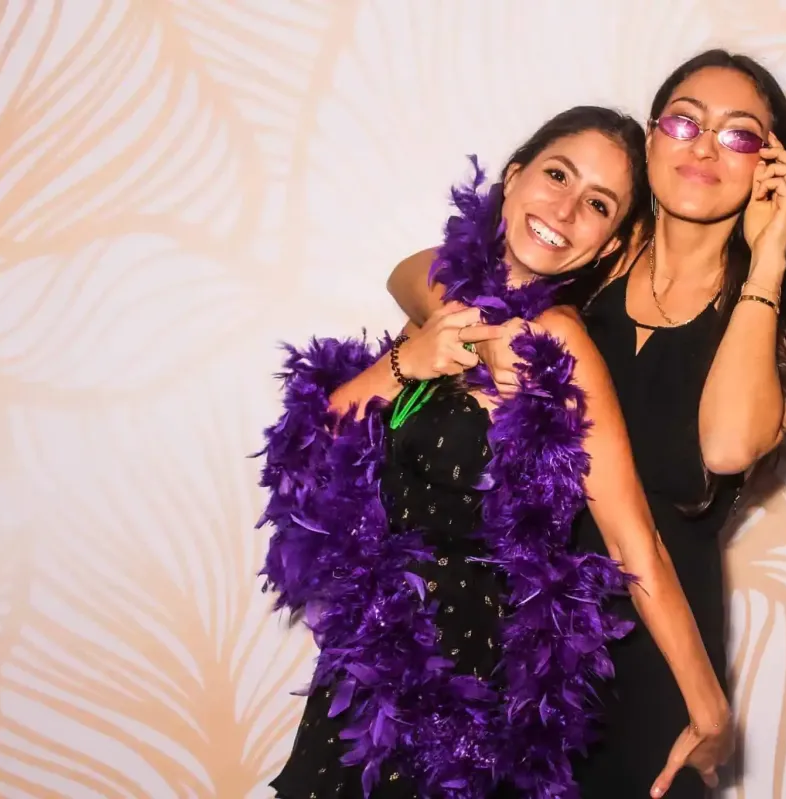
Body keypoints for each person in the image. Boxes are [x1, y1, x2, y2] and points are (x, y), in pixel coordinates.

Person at [387, 50, 786, 797]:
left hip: (660, 662)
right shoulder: (590, 255)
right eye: (684, 120)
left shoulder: (765, 322)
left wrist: (768, 260)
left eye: (739, 136)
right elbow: (414, 271)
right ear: (651, 140)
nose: (704, 146)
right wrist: (484, 327)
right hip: (515, 639)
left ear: (773, 168)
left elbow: (727, 444)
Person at [255, 105, 733, 799]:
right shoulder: (444, 300)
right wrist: (405, 363)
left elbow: (637, 544)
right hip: (368, 681)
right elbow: (310, 450)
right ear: (512, 179)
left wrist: (707, 702)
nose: (566, 209)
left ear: (607, 242)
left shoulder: (559, 347)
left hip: (462, 704)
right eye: (557, 174)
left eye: (597, 204)